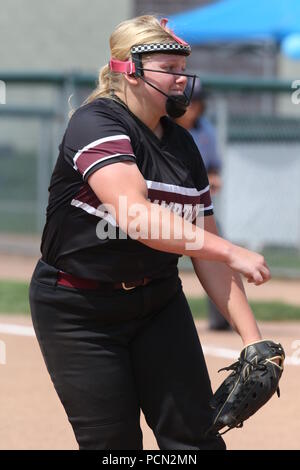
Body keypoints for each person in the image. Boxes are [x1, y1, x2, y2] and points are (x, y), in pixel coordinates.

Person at [29, 15, 272, 451]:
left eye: (184, 70)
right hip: (79, 308)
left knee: (196, 443)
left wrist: (253, 341)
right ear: (130, 70)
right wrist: (231, 250)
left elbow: (207, 255)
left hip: (158, 303)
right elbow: (136, 217)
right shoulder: (96, 123)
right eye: (170, 69)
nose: (182, 80)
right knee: (113, 446)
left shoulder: (184, 147)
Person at [175, 79, 230, 331]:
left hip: (196, 208)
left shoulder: (204, 129)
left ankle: (222, 318)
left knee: (220, 251)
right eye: (190, 102)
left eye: (198, 102)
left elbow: (213, 165)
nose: (195, 107)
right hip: (166, 208)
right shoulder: (165, 129)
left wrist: (214, 176)